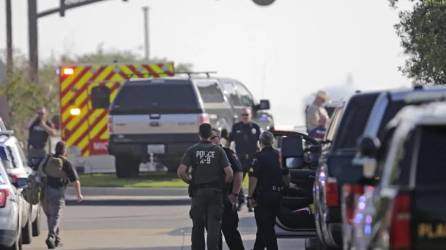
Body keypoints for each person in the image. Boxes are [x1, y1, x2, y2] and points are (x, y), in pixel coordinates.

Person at [177, 123, 234, 250]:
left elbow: (181, 172)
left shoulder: (192, 150)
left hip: (198, 193)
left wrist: (191, 182)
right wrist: (222, 185)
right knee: (214, 226)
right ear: (210, 135)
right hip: (215, 192)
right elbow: (230, 174)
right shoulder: (218, 151)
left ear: (199, 134)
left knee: (197, 225)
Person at [39, 141, 83, 249]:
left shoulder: (48, 159)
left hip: (45, 192)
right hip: (58, 192)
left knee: (50, 216)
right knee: (56, 216)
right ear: (64, 151)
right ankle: (51, 236)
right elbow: (75, 181)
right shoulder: (66, 162)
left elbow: (40, 171)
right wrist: (79, 195)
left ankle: (55, 240)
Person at [248, 131, 286, 250]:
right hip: (277, 195)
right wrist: (286, 187)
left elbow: (254, 178)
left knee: (266, 228)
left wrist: (249, 197)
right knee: (265, 227)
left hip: (263, 198)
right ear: (272, 142)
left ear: (260, 143)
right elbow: (286, 175)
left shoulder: (258, 157)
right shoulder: (279, 155)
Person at [210, 128, 245, 250]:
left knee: (230, 233)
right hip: (211, 200)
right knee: (214, 236)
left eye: (213, 137)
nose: (210, 141)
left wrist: (234, 194)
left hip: (226, 197)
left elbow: (239, 173)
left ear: (218, 138)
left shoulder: (227, 152)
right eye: (208, 138)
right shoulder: (206, 155)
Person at [229, 108, 261, 210]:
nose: (245, 117)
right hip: (240, 158)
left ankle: (250, 201)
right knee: (237, 179)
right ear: (240, 116)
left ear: (250, 115)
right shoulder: (236, 127)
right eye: (243, 115)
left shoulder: (255, 127)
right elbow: (229, 141)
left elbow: (260, 143)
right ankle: (241, 200)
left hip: (252, 158)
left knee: (253, 180)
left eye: (247, 115)